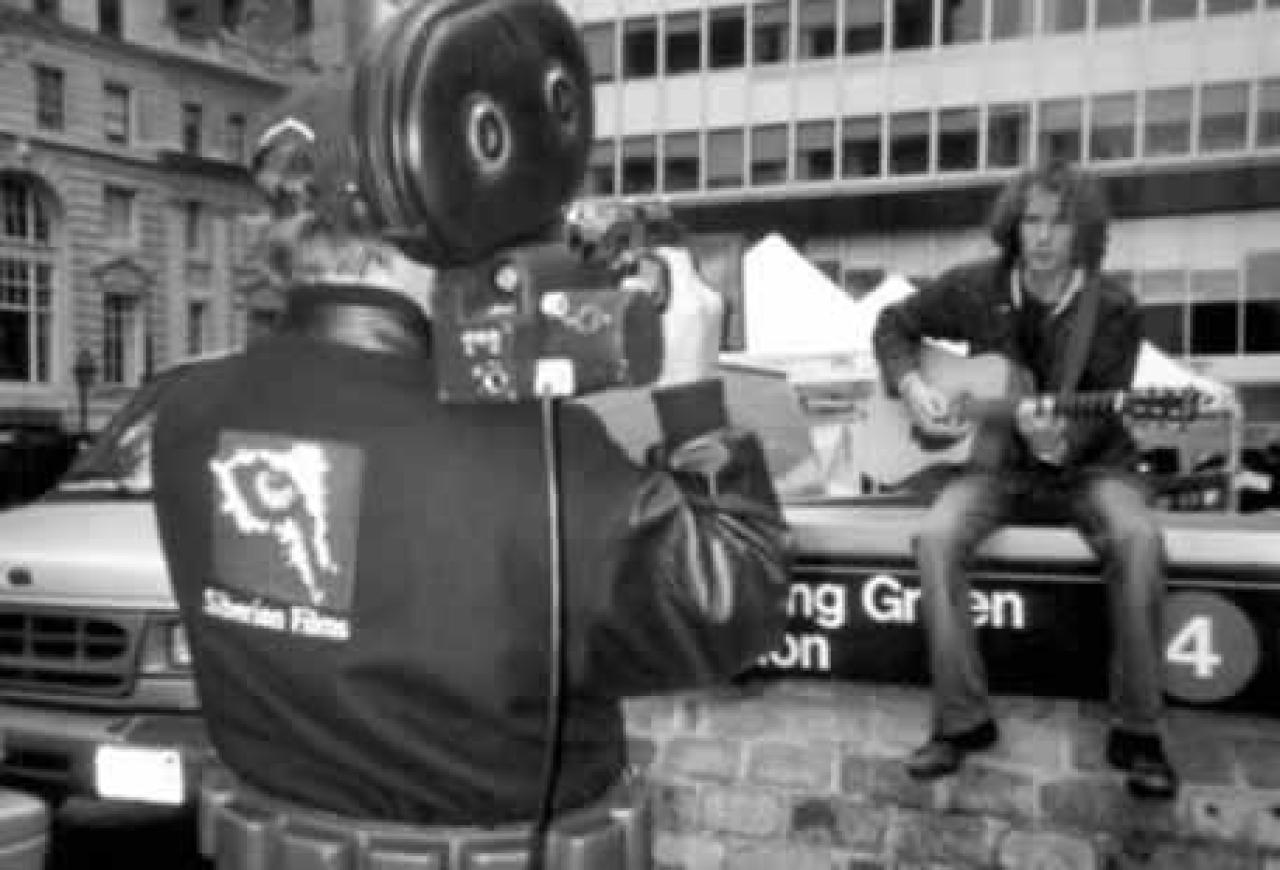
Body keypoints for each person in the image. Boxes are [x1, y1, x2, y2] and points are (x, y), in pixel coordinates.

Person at [148, 55, 789, 837]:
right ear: (442, 210)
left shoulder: (187, 414)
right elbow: (729, 609)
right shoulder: (535, 452)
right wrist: (692, 396)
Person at [872, 160, 1178, 799]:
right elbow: (892, 324)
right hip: (996, 466)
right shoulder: (975, 287)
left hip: (1091, 466)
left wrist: (1057, 442)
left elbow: (1102, 413)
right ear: (1013, 224)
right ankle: (961, 721)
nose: (1041, 236)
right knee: (936, 538)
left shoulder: (1113, 308)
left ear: (1082, 231)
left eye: (1058, 224)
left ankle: (1139, 731)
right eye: (1031, 220)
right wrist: (914, 386)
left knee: (1138, 539)